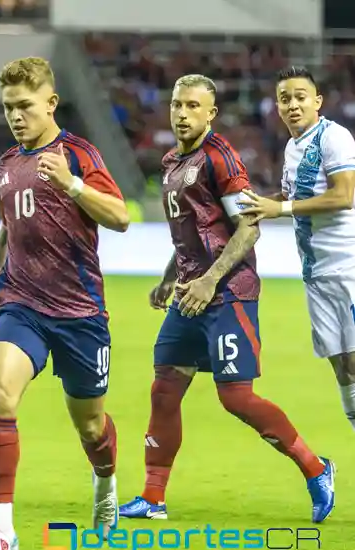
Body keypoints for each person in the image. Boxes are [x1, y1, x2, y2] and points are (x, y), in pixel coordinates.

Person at [118, 74, 336, 524]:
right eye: (177, 105)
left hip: (228, 295)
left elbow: (248, 226)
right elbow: (188, 235)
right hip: (189, 294)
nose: (182, 114)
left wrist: (209, 281)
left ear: (210, 113)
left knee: (235, 397)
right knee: (164, 390)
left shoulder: (221, 158)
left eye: (193, 106)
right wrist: (169, 279)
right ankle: (153, 497)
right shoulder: (171, 163)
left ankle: (316, 469)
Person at [0, 57, 130, 550]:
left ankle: (104, 481)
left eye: (25, 106)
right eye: (7, 108)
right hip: (23, 305)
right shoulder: (6, 166)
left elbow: (121, 217)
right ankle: (3, 528)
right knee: (0, 394)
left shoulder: (78, 155)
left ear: (51, 103)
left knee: (90, 424)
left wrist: (71, 184)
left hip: (80, 313)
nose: (16, 117)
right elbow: (8, 230)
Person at [241, 66, 355, 438]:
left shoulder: (334, 137)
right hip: (317, 274)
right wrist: (263, 204)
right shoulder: (292, 148)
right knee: (343, 367)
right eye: (285, 98)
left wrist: (282, 210)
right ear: (277, 106)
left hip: (348, 268)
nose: (293, 104)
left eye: (300, 97)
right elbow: (293, 198)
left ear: (317, 102)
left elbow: (343, 195)